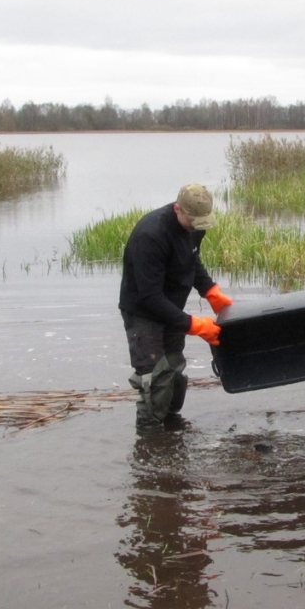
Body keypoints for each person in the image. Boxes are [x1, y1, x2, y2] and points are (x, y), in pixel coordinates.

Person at [118, 184, 233, 431]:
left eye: (201, 222)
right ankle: (149, 440)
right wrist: (193, 325)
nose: (197, 227)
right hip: (143, 313)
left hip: (170, 308)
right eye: (192, 221)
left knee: (173, 370)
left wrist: (210, 290)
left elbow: (191, 260)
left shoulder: (195, 227)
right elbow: (149, 297)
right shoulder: (151, 235)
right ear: (177, 208)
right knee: (155, 377)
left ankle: (171, 428)